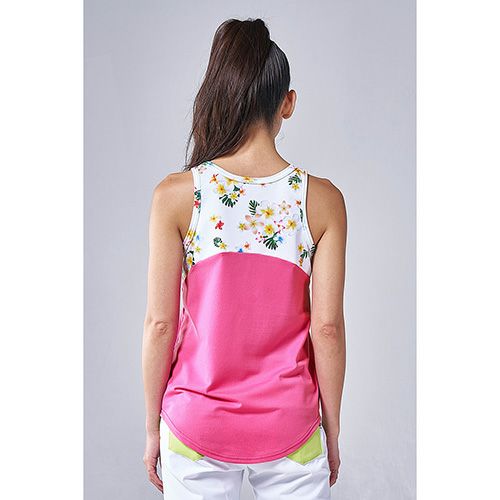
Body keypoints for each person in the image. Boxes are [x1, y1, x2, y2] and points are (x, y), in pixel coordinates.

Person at [142, 18, 347, 499]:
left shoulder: (177, 195)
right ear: (287, 103)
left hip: (195, 422)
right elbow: (327, 329)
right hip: (291, 424)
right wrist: (330, 428)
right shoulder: (321, 201)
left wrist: (153, 428)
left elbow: (160, 324)